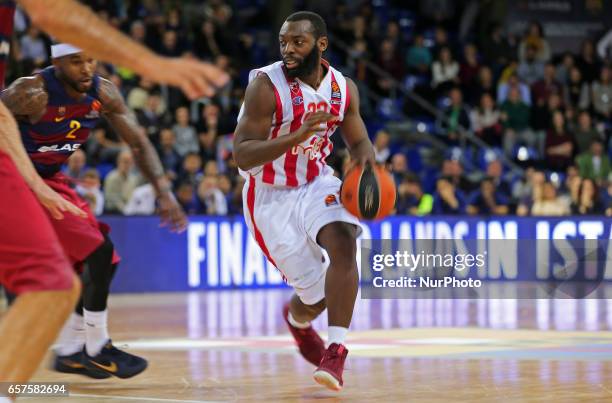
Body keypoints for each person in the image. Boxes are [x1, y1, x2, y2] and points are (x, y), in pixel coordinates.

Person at [1, 45, 187, 380]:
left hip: (50, 178)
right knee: (95, 253)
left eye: (90, 60)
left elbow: (139, 142)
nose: (86, 69)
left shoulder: (104, 92)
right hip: (14, 179)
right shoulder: (31, 93)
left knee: (101, 258)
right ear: (56, 62)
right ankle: (94, 346)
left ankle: (73, 351)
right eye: (76, 62)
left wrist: (163, 191)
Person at [233, 11, 376, 391]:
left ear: (321, 44)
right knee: (314, 299)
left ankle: (336, 350)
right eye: (283, 42)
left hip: (316, 181)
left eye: (298, 41)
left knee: (345, 242)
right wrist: (293, 138)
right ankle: (297, 322)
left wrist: (366, 160)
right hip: (269, 195)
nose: (288, 49)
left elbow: (358, 138)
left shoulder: (343, 88)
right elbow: (243, 155)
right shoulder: (265, 86)